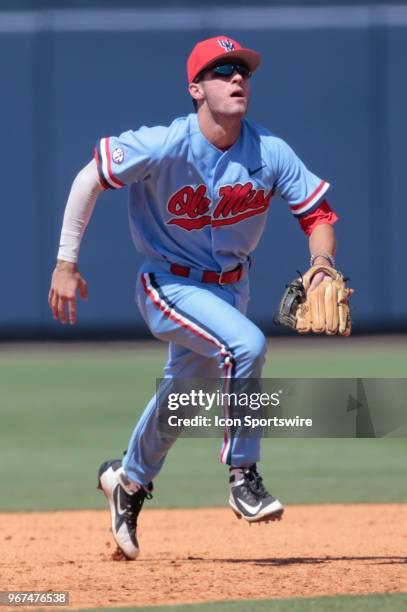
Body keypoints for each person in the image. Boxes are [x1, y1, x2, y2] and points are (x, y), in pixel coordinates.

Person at [48, 35, 338, 560]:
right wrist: (66, 263)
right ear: (195, 89)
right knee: (246, 346)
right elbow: (90, 178)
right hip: (169, 283)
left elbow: (317, 215)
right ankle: (243, 476)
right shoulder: (163, 144)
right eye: (222, 71)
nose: (236, 79)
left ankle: (127, 481)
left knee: (186, 395)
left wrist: (321, 264)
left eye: (242, 71)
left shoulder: (268, 150)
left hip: (232, 287)